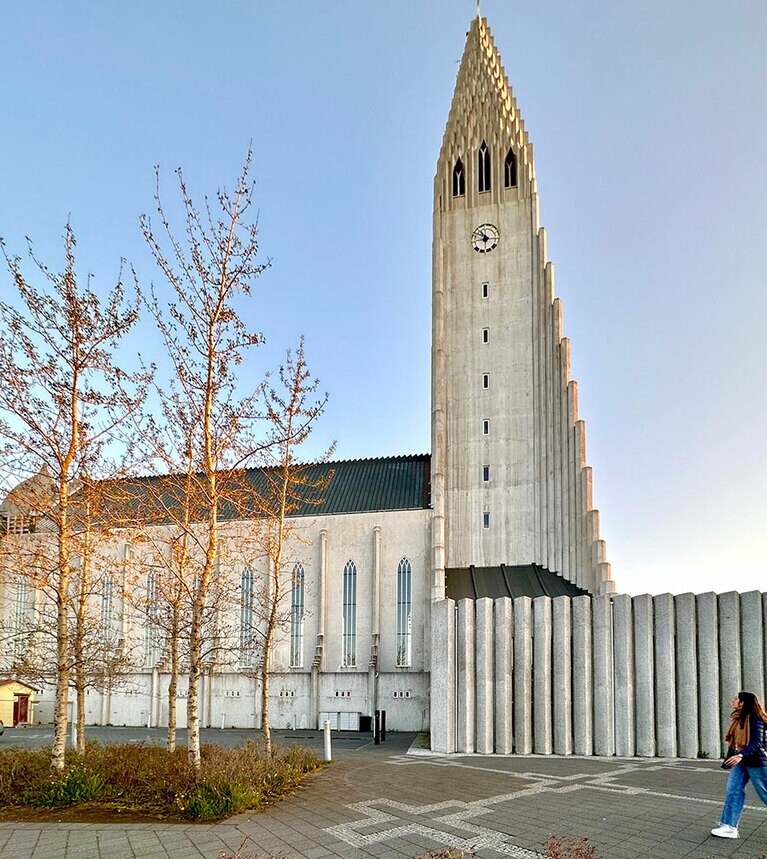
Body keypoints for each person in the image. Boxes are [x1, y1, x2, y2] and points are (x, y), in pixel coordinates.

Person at [711, 691, 767, 839]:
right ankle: (729, 827)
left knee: (765, 794)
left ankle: (729, 826)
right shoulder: (738, 719)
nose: (733, 701)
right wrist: (730, 759)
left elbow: (757, 743)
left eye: (736, 699)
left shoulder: (755, 719)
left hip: (757, 762)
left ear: (743, 703)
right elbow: (735, 743)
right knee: (733, 790)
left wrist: (740, 755)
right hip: (741, 762)